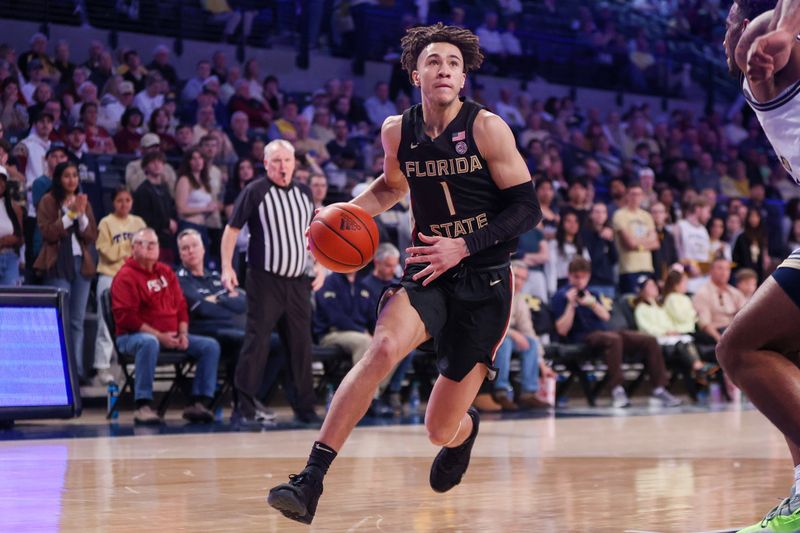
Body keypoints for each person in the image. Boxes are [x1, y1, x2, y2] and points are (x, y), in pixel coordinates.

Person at [267, 23, 541, 524]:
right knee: (383, 349)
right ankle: (310, 479)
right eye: (434, 61)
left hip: (485, 280)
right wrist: (343, 214)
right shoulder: (398, 130)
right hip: (426, 271)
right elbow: (393, 186)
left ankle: (464, 432)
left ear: (463, 79)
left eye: (454, 64)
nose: (444, 69)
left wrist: (465, 245)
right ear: (416, 73)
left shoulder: (487, 128)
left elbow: (527, 209)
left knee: (439, 429)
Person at [220, 139, 320, 426]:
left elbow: (314, 234)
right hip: (264, 280)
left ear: (294, 164)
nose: (282, 166)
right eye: (275, 161)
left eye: (287, 160)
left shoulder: (304, 192)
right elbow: (231, 231)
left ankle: (305, 407)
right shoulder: (255, 191)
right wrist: (227, 267)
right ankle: (244, 406)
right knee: (257, 342)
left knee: (301, 345)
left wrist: (321, 266)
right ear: (265, 165)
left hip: (299, 281)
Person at [111, 227, 220, 424]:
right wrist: (160, 337)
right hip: (131, 337)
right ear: (134, 248)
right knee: (149, 342)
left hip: (171, 335)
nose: (152, 248)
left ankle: (198, 403)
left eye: (155, 244)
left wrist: (183, 334)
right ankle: (142, 406)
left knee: (209, 346)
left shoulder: (166, 272)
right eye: (147, 244)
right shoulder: (125, 277)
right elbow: (128, 319)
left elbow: (181, 306)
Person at [552, 257, 680, 409]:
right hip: (583, 337)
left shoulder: (592, 293)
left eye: (583, 277)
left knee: (649, 340)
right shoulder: (561, 296)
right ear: (569, 275)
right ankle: (617, 389)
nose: (580, 281)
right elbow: (562, 329)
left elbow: (605, 316)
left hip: (606, 332)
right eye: (576, 277)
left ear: (589, 276)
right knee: (613, 339)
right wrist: (571, 305)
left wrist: (592, 303)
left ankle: (659, 388)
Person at [34, 162, 98, 382]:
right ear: (58, 178)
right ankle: (57, 371)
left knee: (77, 321)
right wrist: (70, 214)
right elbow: (49, 233)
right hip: (57, 263)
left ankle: (77, 371)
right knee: (59, 319)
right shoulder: (48, 200)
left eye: (75, 176)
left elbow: (90, 236)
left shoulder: (82, 201)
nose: (72, 180)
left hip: (81, 263)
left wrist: (80, 215)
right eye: (67, 176)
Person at [93, 186, 145, 386]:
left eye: (127, 200)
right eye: (119, 200)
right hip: (109, 276)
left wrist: (128, 251)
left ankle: (130, 366)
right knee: (105, 325)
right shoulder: (106, 222)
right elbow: (107, 253)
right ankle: (102, 366)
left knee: (133, 322)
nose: (124, 204)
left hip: (133, 278)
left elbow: (144, 252)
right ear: (113, 202)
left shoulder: (138, 222)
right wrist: (128, 247)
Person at [492, 260, 555, 410]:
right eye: (517, 276)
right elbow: (491, 324)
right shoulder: (496, 292)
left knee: (530, 343)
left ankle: (528, 394)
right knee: (505, 342)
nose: (519, 281)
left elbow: (528, 331)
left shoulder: (520, 299)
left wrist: (542, 363)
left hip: (507, 337)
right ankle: (501, 392)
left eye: (523, 279)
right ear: (508, 274)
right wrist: (513, 334)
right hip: (490, 337)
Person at [611, 182, 658, 294]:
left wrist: (638, 244)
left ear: (642, 196)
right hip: (629, 268)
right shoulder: (620, 215)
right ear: (627, 195)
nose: (636, 197)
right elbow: (629, 243)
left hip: (647, 267)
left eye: (638, 194)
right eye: (632, 194)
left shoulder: (647, 216)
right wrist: (646, 242)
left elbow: (656, 243)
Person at [693, 257, 747, 346]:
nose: (724, 273)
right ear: (711, 271)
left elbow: (745, 314)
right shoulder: (703, 293)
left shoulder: (735, 293)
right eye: (720, 268)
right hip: (715, 334)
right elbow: (705, 324)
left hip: (735, 331)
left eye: (727, 269)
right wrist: (721, 340)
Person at [0, 165, 23, 286]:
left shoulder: (14, 207)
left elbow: (20, 238)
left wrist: (10, 240)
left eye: (2, 180)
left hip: (10, 259)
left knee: (8, 301)